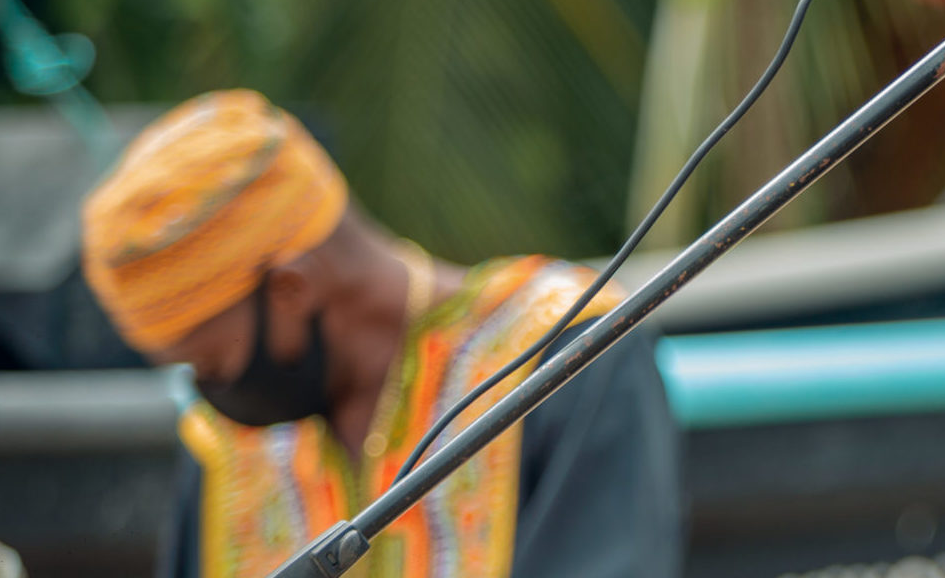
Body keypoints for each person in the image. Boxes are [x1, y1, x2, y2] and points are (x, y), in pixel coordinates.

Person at [79, 89, 682, 578]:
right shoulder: (226, 447)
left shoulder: (569, 356)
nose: (207, 391)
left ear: (291, 290)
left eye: (210, 363)